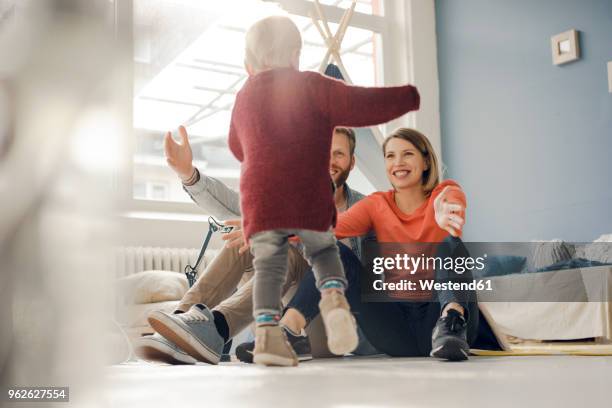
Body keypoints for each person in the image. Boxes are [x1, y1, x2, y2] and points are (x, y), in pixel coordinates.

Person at [225, 15, 420, 366]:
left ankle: (268, 334)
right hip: (307, 199)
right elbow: (363, 104)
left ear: (249, 64)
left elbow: (237, 147)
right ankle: (334, 304)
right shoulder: (313, 86)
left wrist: (260, 156)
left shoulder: (243, 96)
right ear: (296, 55)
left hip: (261, 205)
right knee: (325, 252)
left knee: (268, 268)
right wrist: (407, 96)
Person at [236, 128, 480, 361]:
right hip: (397, 328)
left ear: (426, 162)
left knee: (449, 243)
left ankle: (452, 321)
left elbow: (453, 204)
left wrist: (445, 213)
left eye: (408, 154)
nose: (398, 162)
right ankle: (287, 333)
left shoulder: (444, 193)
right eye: (390, 156)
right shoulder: (376, 205)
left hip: (439, 318)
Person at [138, 126, 377, 364]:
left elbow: (370, 282)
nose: (329, 161)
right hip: (288, 320)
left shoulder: (365, 209)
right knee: (242, 233)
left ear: (352, 162)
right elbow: (234, 204)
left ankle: (218, 327)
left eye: (338, 154)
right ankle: (180, 325)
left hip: (333, 326)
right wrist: (188, 174)